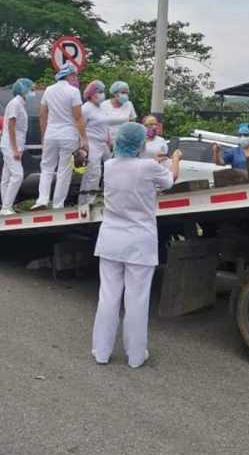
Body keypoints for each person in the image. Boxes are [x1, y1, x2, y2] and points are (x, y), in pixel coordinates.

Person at [92, 122, 182, 368]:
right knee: (137, 300)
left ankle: (101, 351)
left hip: (111, 238)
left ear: (119, 141)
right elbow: (170, 180)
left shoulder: (109, 166)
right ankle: (134, 356)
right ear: (140, 143)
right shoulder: (150, 167)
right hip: (139, 241)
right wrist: (175, 159)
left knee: (108, 297)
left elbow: (134, 169)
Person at [31, 61, 88, 210]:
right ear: (69, 75)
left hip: (51, 134)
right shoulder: (73, 92)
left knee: (47, 167)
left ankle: (42, 200)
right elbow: (78, 117)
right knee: (64, 171)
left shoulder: (49, 90)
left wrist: (44, 135)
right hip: (68, 135)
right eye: (75, 75)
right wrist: (84, 138)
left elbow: (42, 115)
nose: (76, 78)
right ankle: (58, 205)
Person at [0, 78, 35, 216]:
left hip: (13, 145)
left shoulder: (20, 104)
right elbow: (11, 127)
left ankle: (6, 206)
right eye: (31, 89)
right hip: (10, 145)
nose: (33, 93)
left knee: (6, 177)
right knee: (18, 175)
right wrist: (14, 149)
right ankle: (6, 207)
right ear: (23, 90)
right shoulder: (15, 104)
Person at [78, 80, 111, 205]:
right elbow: (80, 127)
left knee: (108, 171)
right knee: (93, 173)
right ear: (92, 94)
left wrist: (109, 140)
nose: (102, 94)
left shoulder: (101, 108)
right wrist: (82, 146)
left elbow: (105, 125)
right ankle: (86, 201)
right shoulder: (86, 108)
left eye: (103, 91)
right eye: (100, 92)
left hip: (103, 143)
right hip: (91, 143)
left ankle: (103, 197)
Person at [100, 81, 137, 146]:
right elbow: (101, 124)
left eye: (127, 93)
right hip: (107, 141)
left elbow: (132, 123)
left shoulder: (129, 104)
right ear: (115, 93)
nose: (125, 95)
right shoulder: (104, 105)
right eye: (123, 92)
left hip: (124, 141)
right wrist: (109, 140)